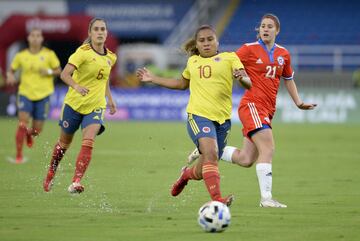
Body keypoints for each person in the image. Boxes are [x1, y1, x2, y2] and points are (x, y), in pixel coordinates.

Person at [188, 14, 317, 208]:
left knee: (246, 159)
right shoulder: (248, 49)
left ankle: (207, 149)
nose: (265, 29)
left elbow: (288, 79)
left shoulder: (284, 54)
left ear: (277, 30)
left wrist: (298, 102)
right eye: (262, 26)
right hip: (252, 105)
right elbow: (224, 62)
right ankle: (266, 199)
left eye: (269, 26)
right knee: (268, 148)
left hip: (267, 108)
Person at [136, 25, 252, 206]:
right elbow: (181, 84)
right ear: (196, 45)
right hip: (198, 116)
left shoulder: (230, 58)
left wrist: (241, 78)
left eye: (210, 39)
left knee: (206, 164)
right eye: (202, 40)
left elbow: (248, 83)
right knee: (212, 153)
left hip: (222, 121)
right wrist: (153, 78)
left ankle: (185, 175)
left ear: (217, 41)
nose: (206, 43)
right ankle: (218, 201)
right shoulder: (193, 62)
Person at [43, 18, 117, 193]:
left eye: (103, 29)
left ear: (106, 33)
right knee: (64, 144)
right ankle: (51, 172)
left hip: (96, 106)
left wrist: (110, 100)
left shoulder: (111, 57)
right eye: (96, 29)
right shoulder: (82, 53)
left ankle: (76, 181)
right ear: (90, 33)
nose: (100, 32)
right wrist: (76, 86)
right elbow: (64, 74)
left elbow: (104, 79)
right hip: (74, 104)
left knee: (89, 140)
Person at [6, 28, 61, 164]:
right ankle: (19, 156)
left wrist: (48, 71)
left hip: (43, 95)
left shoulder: (49, 54)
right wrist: (10, 76)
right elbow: (11, 70)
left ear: (42, 39)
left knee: (37, 130)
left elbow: (58, 70)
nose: (35, 38)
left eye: (38, 36)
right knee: (22, 123)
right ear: (29, 38)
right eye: (33, 35)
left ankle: (30, 135)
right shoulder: (21, 55)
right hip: (25, 93)